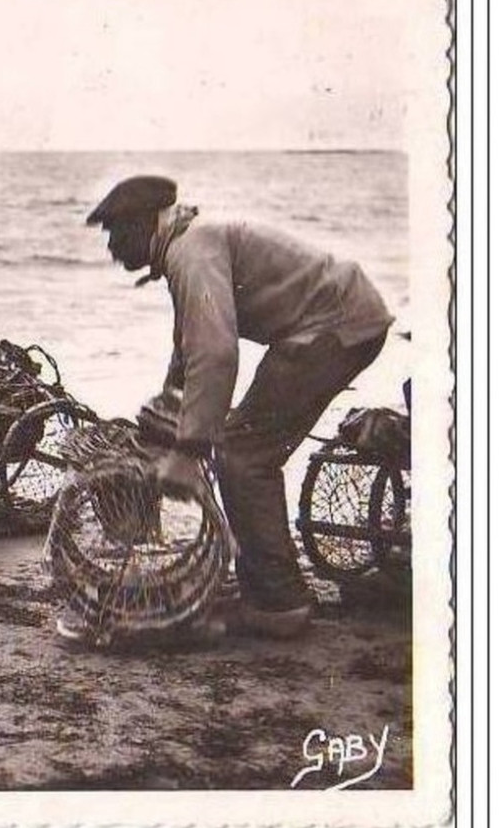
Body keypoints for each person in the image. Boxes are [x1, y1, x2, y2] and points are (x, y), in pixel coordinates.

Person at [87, 175, 394, 637]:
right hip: (333, 320)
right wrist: (166, 414)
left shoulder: (191, 250)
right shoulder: (189, 242)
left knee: (244, 454)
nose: (111, 247)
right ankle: (266, 585)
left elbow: (216, 353)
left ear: (146, 223)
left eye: (116, 232)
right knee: (242, 444)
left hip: (335, 328)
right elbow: (189, 346)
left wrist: (189, 451)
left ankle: (279, 604)